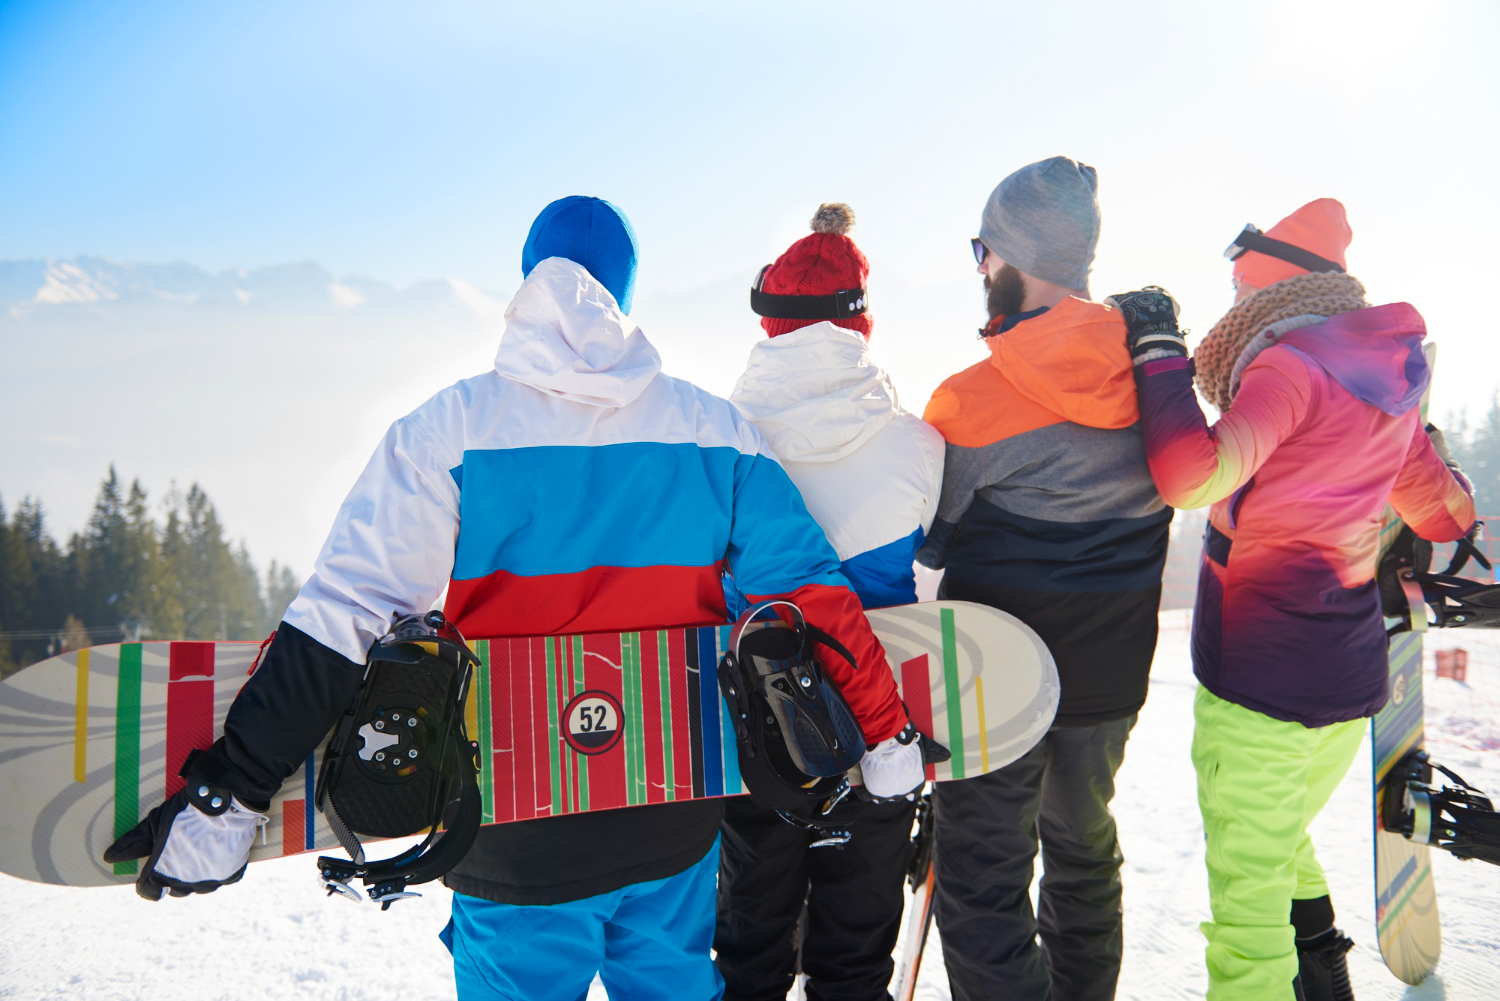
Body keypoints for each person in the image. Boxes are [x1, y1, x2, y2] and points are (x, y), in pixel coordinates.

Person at [105, 196, 925, 1001]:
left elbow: (342, 618)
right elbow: (809, 591)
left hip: (513, 831)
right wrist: (884, 734)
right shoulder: (714, 430)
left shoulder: (449, 430)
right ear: (628, 292)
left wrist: (232, 793)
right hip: (674, 830)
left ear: (528, 280)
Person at [1108, 198, 1475, 1001]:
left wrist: (1162, 354)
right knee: (1275, 842)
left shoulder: (1289, 365)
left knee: (1245, 914)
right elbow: (1442, 514)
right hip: (1344, 684)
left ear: (1279, 284)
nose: (1235, 301)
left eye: (1242, 284)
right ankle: (1324, 971)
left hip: (1261, 684)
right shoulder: (1388, 381)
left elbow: (1192, 476)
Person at [915, 156, 1171, 1001]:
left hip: (994, 683)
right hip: (1112, 675)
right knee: (1083, 847)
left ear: (1012, 257)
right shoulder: (1155, 384)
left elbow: (932, 544)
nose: (980, 267)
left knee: (983, 875)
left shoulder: (969, 400)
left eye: (983, 249)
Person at [715, 203, 945, 1001]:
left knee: (748, 956)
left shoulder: (722, 439)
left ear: (768, 323)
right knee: (853, 965)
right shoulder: (920, 446)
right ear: (863, 325)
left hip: (757, 732)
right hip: (880, 727)